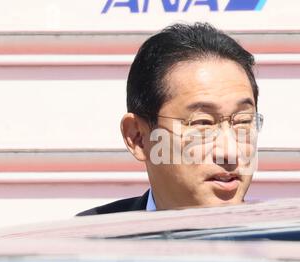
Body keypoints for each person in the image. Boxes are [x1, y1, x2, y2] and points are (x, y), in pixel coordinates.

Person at [77, 22, 263, 216]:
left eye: (243, 121)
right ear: (138, 137)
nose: (231, 152)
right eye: (203, 123)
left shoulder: (284, 242)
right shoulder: (87, 239)